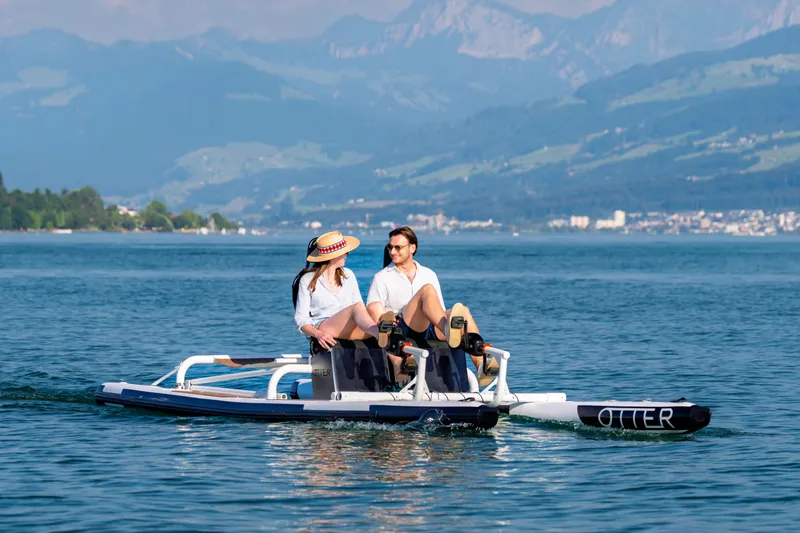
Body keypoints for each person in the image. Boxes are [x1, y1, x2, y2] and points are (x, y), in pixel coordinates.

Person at [366, 226, 499, 386]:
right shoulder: (381, 278)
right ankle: (448, 332)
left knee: (463, 312)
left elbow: (438, 311)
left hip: (430, 328)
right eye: (390, 247)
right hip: (403, 328)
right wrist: (383, 319)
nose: (392, 252)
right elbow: (373, 308)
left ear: (412, 248)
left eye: (398, 247)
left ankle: (481, 365)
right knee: (427, 290)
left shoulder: (428, 274)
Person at [293, 231, 394, 350]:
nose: (347, 254)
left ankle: (384, 333)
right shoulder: (307, 280)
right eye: (345, 252)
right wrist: (318, 334)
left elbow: (360, 309)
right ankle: (379, 333)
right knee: (357, 307)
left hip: (347, 327)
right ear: (333, 256)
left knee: (374, 306)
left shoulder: (348, 275)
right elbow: (301, 319)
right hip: (324, 326)